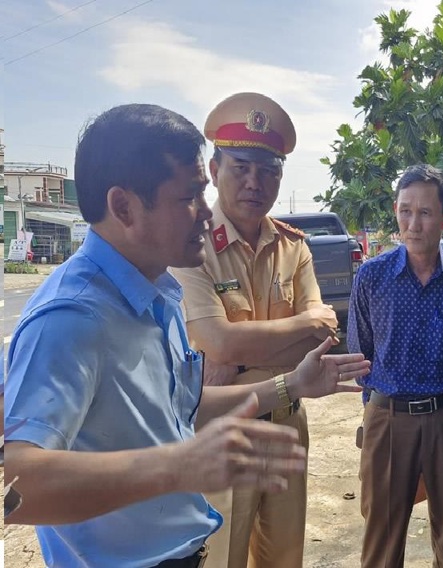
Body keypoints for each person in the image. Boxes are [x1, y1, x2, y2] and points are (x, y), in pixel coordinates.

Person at [2, 103, 370, 568]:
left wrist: (290, 385)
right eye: (190, 196)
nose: (204, 212)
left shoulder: (155, 295)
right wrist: (177, 466)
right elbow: (15, 485)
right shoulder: (72, 316)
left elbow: (181, 408)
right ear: (124, 206)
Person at [169, 92, 340, 568]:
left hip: (287, 424)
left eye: (268, 170)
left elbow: (319, 342)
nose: (254, 182)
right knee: (223, 554)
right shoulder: (191, 245)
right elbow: (216, 341)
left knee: (284, 556)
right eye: (241, 167)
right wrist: (301, 324)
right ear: (214, 169)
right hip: (222, 430)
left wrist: (238, 358)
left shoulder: (293, 247)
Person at [348, 164, 443, 568]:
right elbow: (363, 353)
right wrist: (375, 415)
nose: (413, 223)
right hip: (388, 419)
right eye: (405, 211)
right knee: (382, 541)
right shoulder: (372, 278)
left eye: (425, 212)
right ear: (395, 212)